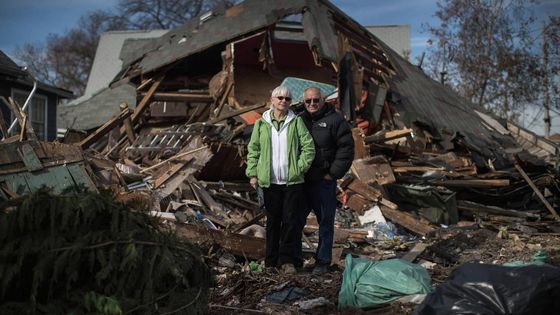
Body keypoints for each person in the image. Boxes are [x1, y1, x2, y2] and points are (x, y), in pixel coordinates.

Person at [246, 85, 315, 274]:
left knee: (290, 221)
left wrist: (298, 168)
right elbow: (254, 150)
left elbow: (308, 148)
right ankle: (270, 261)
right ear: (272, 100)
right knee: (273, 222)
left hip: (292, 182)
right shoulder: (262, 123)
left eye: (287, 99)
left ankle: (286, 260)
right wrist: (253, 173)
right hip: (269, 182)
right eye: (280, 98)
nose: (283, 101)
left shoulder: (296, 122)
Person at [301, 86, 354, 274]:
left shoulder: (335, 120)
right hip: (302, 181)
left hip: (323, 182)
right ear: (304, 102)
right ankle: (294, 259)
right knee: (295, 220)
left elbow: (346, 149)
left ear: (323, 101)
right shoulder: (300, 119)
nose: (312, 104)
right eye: (308, 101)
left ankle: (322, 262)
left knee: (325, 222)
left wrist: (332, 173)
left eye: (316, 100)